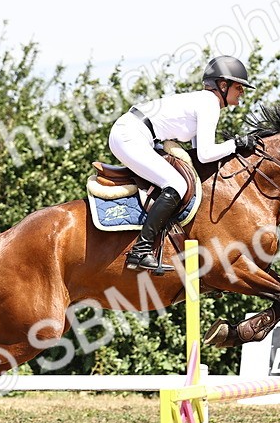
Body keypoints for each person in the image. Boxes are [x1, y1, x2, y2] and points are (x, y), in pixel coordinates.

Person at [109, 55, 261, 272]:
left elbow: (199, 155)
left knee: (178, 179)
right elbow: (207, 154)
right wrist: (236, 144)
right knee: (177, 184)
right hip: (131, 136)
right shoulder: (209, 103)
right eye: (239, 87)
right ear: (223, 85)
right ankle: (140, 250)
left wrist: (234, 146)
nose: (242, 92)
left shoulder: (205, 102)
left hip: (135, 133)